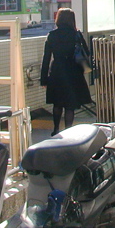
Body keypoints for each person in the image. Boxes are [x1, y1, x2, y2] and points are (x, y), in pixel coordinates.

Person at [40, 8, 92, 136]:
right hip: (73, 71)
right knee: (70, 105)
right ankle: (68, 130)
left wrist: (44, 79)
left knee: (57, 103)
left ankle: (56, 130)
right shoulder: (76, 35)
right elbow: (86, 52)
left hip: (57, 71)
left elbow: (46, 58)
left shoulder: (52, 35)